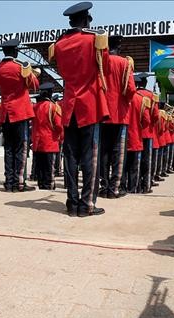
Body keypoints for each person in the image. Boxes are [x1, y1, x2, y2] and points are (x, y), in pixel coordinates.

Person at [49, 1, 110, 216]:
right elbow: (106, 67)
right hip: (89, 105)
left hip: (69, 104)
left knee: (71, 157)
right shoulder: (94, 39)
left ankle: (72, 202)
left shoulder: (59, 44)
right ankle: (87, 205)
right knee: (90, 157)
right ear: (86, 20)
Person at [0, 38, 39, 192]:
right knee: (20, 148)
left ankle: (9, 181)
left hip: (5, 112)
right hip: (20, 112)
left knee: (8, 148)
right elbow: (34, 85)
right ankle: (19, 182)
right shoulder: (21, 67)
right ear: (15, 51)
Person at [99, 34, 136, 199]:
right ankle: (114, 188)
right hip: (120, 114)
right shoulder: (125, 63)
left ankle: (103, 186)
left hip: (102, 113)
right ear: (119, 47)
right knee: (118, 153)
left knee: (103, 152)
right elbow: (130, 89)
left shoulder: (101, 61)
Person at [32, 82, 63, 190]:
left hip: (37, 140)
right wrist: (61, 137)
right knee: (50, 166)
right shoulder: (53, 107)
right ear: (50, 93)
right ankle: (48, 184)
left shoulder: (35, 107)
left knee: (40, 165)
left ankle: (41, 184)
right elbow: (59, 125)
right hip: (50, 140)